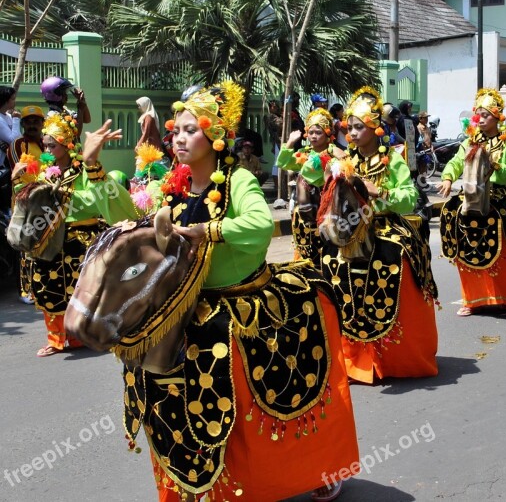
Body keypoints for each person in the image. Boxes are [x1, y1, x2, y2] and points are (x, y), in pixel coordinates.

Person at [106, 81, 358, 501]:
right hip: (184, 302)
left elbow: (260, 225)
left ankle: (309, 470)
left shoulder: (238, 179)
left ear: (215, 137)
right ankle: (188, 478)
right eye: (176, 130)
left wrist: (209, 230)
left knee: (240, 392)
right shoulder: (174, 183)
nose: (179, 137)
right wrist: (97, 171)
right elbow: (133, 218)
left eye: (190, 130)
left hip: (238, 300)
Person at [296, 86, 439, 383]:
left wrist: (379, 193)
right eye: (350, 127)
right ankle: (351, 357)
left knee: (393, 254)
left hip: (384, 224)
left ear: (374, 129)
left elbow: (408, 197)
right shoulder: (346, 158)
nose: (353, 133)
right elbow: (309, 173)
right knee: (328, 261)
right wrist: (325, 169)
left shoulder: (392, 159)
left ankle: (394, 356)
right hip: (352, 226)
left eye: (359, 127)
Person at [10, 113, 137, 356]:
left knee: (78, 292)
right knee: (49, 289)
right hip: (49, 238)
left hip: (79, 240)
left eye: (52, 145)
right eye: (45, 145)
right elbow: (31, 202)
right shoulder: (46, 170)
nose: (47, 149)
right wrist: (20, 182)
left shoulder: (83, 171)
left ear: (67, 143)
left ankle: (80, 336)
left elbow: (95, 201)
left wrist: (61, 197)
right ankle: (56, 340)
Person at [438, 88, 506, 316]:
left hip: (498, 194)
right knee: (451, 213)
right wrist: (448, 178)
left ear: (497, 117)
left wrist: (494, 167)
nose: (479, 119)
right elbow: (455, 162)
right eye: (477, 114)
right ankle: (472, 297)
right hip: (472, 194)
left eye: (485, 115)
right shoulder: (470, 141)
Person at [276, 108, 344, 267]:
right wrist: (290, 142)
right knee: (303, 247)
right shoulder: (304, 152)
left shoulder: (332, 150)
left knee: (325, 248)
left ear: (328, 133)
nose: (313, 136)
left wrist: (330, 160)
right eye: (311, 132)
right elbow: (283, 163)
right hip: (302, 210)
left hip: (325, 210)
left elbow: (345, 161)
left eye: (318, 132)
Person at [9, 106, 45, 305]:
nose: (32, 125)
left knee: (41, 244)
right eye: (28, 121)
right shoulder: (18, 144)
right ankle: (24, 290)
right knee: (24, 246)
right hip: (24, 202)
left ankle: (38, 286)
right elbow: (20, 171)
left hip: (44, 200)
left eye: (36, 121)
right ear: (22, 124)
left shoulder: (45, 144)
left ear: (42, 124)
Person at [0, 86, 21, 155]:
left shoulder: (8, 116)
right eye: (13, 99)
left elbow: (19, 137)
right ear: (5, 100)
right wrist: (16, 119)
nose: (15, 101)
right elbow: (14, 140)